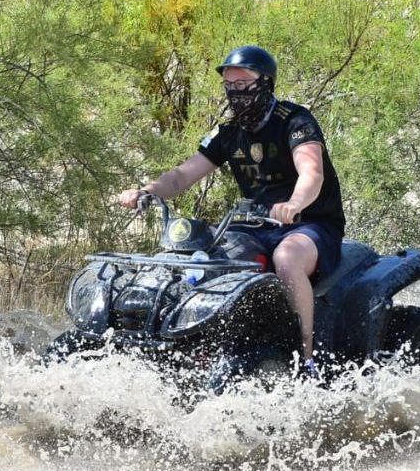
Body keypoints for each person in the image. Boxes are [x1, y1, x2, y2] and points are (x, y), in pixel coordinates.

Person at [118, 45, 345, 378]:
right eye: (229, 85)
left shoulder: (294, 120)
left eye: (243, 84)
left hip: (309, 224)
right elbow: (183, 175)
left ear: (265, 83)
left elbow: (312, 172)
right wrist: (147, 192)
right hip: (255, 226)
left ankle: (305, 360)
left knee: (287, 259)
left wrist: (294, 204)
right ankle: (195, 344)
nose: (235, 93)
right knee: (204, 258)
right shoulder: (228, 133)